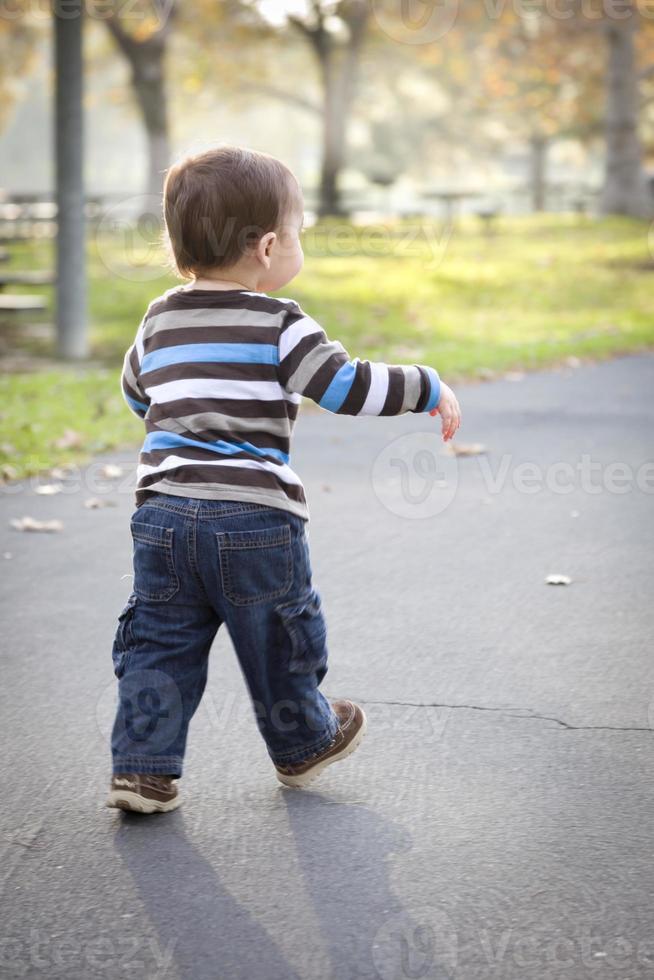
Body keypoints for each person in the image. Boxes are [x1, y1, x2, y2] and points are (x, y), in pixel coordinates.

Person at [106, 145, 461, 813]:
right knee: (279, 637)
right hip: (254, 520)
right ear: (268, 247)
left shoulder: (157, 319)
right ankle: (303, 745)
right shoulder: (282, 323)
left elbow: (137, 393)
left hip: (161, 517)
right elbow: (345, 386)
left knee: (160, 639)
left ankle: (143, 769)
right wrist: (426, 386)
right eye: (298, 232)